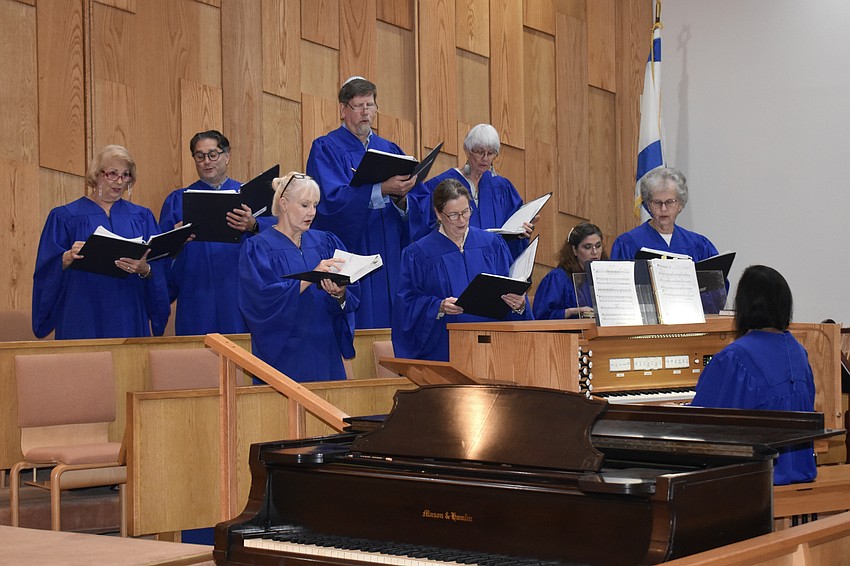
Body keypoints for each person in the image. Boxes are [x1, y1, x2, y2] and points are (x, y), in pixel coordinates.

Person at [306, 77, 419, 330]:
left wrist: (401, 198)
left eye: (370, 105)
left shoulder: (389, 148)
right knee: (363, 320)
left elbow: (417, 203)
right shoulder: (326, 147)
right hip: (354, 245)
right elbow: (329, 200)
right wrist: (380, 190)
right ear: (343, 109)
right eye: (359, 106)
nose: (365, 112)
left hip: (389, 246)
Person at [691, 265, 816, 485]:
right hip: (799, 465)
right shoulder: (798, 350)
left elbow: (703, 420)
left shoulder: (736, 356)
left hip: (757, 475)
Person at [32, 144, 170, 339]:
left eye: (125, 175)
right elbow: (45, 269)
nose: (119, 181)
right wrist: (65, 258)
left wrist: (145, 269)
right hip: (82, 311)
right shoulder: (64, 217)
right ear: (97, 175)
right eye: (112, 173)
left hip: (128, 309)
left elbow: (158, 265)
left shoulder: (142, 217)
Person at [392, 179, 532, 362]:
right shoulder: (418, 254)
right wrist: (438, 306)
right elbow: (407, 304)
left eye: (466, 212)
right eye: (453, 215)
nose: (462, 221)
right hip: (445, 349)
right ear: (438, 213)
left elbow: (510, 285)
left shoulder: (492, 244)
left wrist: (519, 304)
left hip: (494, 349)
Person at [238, 172, 359, 382]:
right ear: (284, 204)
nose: (311, 213)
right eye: (304, 205)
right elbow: (260, 300)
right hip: (284, 354)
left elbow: (349, 297)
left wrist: (340, 294)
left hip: (325, 349)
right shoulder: (258, 247)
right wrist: (311, 277)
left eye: (315, 205)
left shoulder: (326, 242)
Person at [159, 130, 272, 335]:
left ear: (227, 156)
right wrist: (175, 239)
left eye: (213, 154)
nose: (207, 161)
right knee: (197, 358)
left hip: (239, 291)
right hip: (196, 291)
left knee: (242, 356)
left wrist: (254, 225)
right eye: (199, 156)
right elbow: (160, 256)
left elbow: (277, 240)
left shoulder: (250, 195)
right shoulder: (178, 200)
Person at [408, 123, 533, 258]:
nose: (485, 158)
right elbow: (421, 228)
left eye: (490, 153)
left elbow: (513, 233)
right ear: (467, 151)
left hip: (492, 265)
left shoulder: (503, 188)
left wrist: (522, 231)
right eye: (479, 152)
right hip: (456, 263)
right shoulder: (440, 185)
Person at [610, 167, 719, 261]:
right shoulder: (627, 243)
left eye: (669, 202)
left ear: (680, 204)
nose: (663, 208)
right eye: (657, 202)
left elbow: (718, 281)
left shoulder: (698, 244)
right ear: (648, 204)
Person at [533, 222, 607, 320]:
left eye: (598, 246)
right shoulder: (557, 278)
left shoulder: (605, 276)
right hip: (569, 334)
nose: (595, 252)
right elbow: (541, 317)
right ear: (574, 250)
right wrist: (572, 311)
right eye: (588, 247)